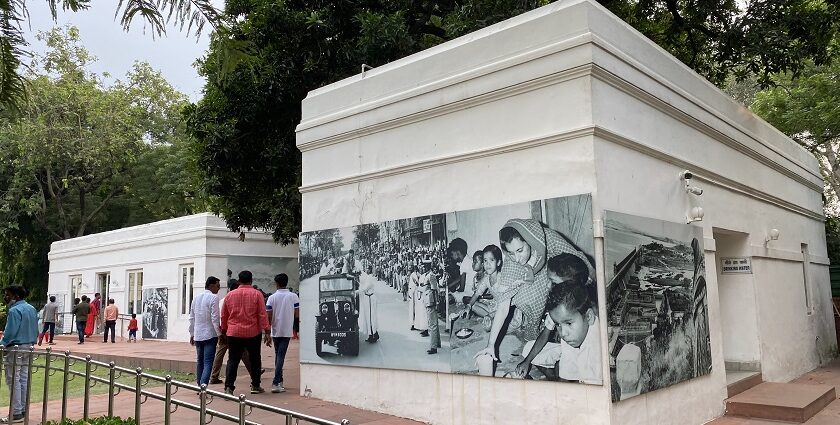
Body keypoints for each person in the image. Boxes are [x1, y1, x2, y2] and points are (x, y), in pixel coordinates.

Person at [474, 218, 594, 375]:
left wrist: (590, 289)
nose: (517, 258)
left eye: (520, 250)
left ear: (529, 240)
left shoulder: (548, 238)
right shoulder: (512, 263)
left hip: (560, 276)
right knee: (526, 302)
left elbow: (579, 262)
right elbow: (503, 306)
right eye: (510, 253)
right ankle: (541, 328)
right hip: (543, 284)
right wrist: (491, 344)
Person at [514, 282, 601, 384]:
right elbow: (565, 379)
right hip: (571, 351)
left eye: (569, 323)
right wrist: (527, 362)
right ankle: (555, 373)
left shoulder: (596, 350)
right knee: (528, 348)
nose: (562, 334)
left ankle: (556, 373)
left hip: (588, 367)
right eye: (557, 325)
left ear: (589, 317)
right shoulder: (570, 333)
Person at [221, 271, 271, 395]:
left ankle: (229, 387)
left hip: (234, 332)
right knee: (255, 359)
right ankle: (255, 385)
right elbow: (262, 314)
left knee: (233, 360)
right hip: (253, 332)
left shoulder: (230, 295)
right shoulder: (257, 294)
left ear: (239, 280)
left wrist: (223, 330)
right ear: (251, 280)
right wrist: (267, 331)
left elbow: (224, 315)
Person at [1, 286, 38, 423]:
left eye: (7, 295)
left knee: (13, 379)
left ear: (15, 296)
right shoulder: (31, 308)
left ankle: (16, 412)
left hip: (15, 348)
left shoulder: (14, 310)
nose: (6, 297)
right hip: (29, 346)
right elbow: (36, 328)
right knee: (23, 378)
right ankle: (22, 409)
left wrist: (2, 344)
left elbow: (10, 332)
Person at [209, 280, 256, 385]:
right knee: (239, 353)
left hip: (226, 329)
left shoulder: (223, 300)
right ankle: (253, 373)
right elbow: (222, 316)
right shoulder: (230, 299)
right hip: (231, 330)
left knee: (223, 353)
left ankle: (214, 376)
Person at [265, 273, 299, 393]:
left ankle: (279, 380)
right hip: (286, 330)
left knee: (278, 355)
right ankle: (276, 382)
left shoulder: (271, 298)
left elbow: (268, 315)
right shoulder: (293, 296)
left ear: (276, 283)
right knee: (280, 356)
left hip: (275, 329)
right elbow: (297, 313)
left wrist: (268, 329)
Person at [189, 276, 222, 387]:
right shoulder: (213, 298)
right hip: (210, 334)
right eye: (218, 286)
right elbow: (215, 318)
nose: (219, 288)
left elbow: (191, 317)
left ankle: (200, 385)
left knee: (200, 361)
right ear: (211, 285)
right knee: (208, 362)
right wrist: (219, 333)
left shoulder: (196, 298)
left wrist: (192, 333)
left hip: (198, 334)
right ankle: (203, 385)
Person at [422, 261, 441, 354]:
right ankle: (437, 343)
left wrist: (436, 302)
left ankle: (433, 347)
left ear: (429, 266)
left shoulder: (431, 275)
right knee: (434, 323)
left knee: (432, 324)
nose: (424, 267)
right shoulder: (427, 275)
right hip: (428, 300)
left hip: (431, 301)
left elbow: (434, 290)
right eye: (423, 266)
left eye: (425, 266)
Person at [358, 265, 380, 343]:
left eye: (368, 269)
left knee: (371, 317)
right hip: (367, 298)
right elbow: (362, 277)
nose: (366, 270)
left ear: (370, 270)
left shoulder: (370, 278)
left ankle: (374, 334)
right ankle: (372, 334)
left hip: (370, 298)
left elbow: (365, 288)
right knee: (368, 317)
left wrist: (357, 291)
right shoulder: (367, 276)